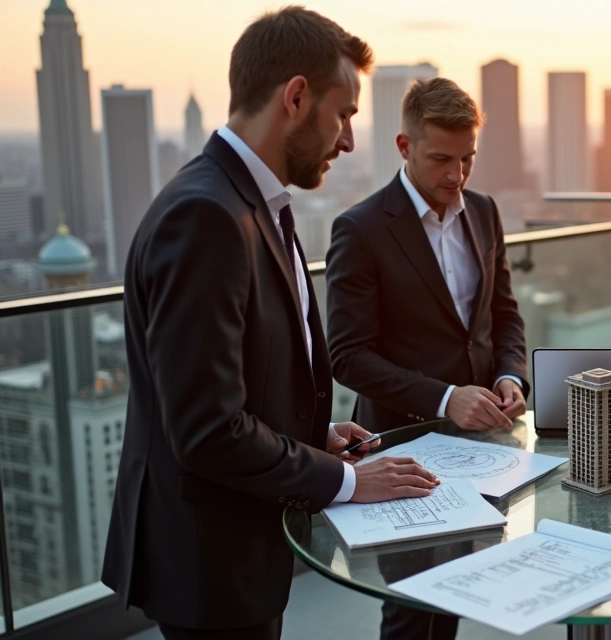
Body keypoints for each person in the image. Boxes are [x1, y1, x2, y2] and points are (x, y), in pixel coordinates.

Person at [101, 8, 439, 639]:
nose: (346, 140)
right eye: (344, 115)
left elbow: (240, 380)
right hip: (213, 565)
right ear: (296, 97)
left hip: (239, 550)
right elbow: (205, 429)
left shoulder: (249, 205)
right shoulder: (205, 217)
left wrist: (315, 436)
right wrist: (345, 480)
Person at [325, 77, 528, 640]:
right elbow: (347, 355)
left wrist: (511, 375)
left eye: (467, 159)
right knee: (413, 610)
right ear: (404, 146)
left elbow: (503, 315)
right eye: (441, 158)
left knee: (459, 589)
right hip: (404, 454)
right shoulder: (360, 229)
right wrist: (445, 397)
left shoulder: (484, 212)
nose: (456, 176)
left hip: (487, 447)